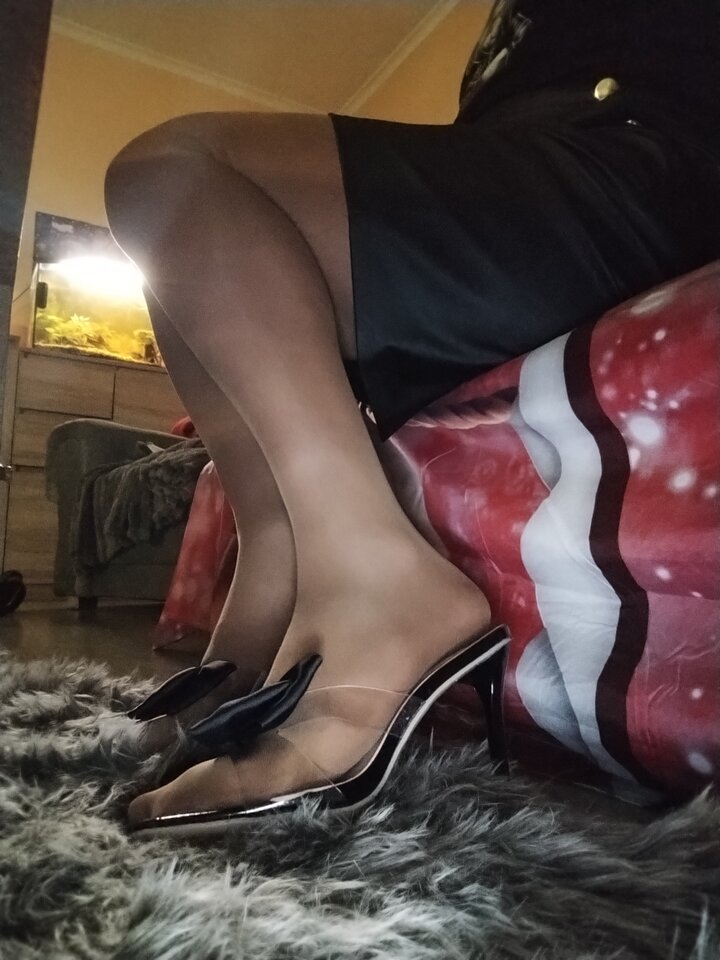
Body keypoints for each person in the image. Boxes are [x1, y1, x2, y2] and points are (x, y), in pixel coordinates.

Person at [105, 0, 720, 837]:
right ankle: (276, 561)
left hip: (633, 154)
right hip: (535, 172)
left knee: (171, 174)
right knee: (185, 272)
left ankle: (378, 581)